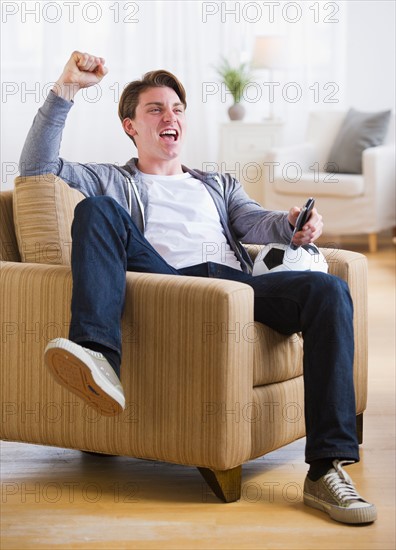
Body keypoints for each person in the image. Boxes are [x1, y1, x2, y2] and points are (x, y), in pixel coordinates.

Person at [20, 51, 376, 524]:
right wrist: (65, 89)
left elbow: (256, 222)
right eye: (155, 110)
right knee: (96, 211)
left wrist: (292, 224)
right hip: (170, 282)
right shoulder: (111, 180)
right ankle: (99, 357)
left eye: (178, 110)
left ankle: (325, 470)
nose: (171, 118)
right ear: (131, 126)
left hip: (235, 289)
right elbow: (35, 165)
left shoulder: (218, 184)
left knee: (330, 292)